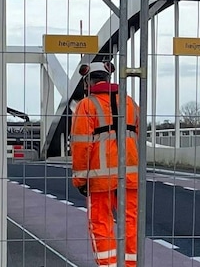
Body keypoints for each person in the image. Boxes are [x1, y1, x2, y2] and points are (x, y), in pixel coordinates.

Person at [70, 60, 140, 267]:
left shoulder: (86, 105)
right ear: (108, 79)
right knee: (130, 223)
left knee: (101, 223)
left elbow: (81, 146)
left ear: (87, 83)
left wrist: (80, 180)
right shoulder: (129, 102)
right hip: (131, 174)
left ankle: (108, 265)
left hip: (100, 179)